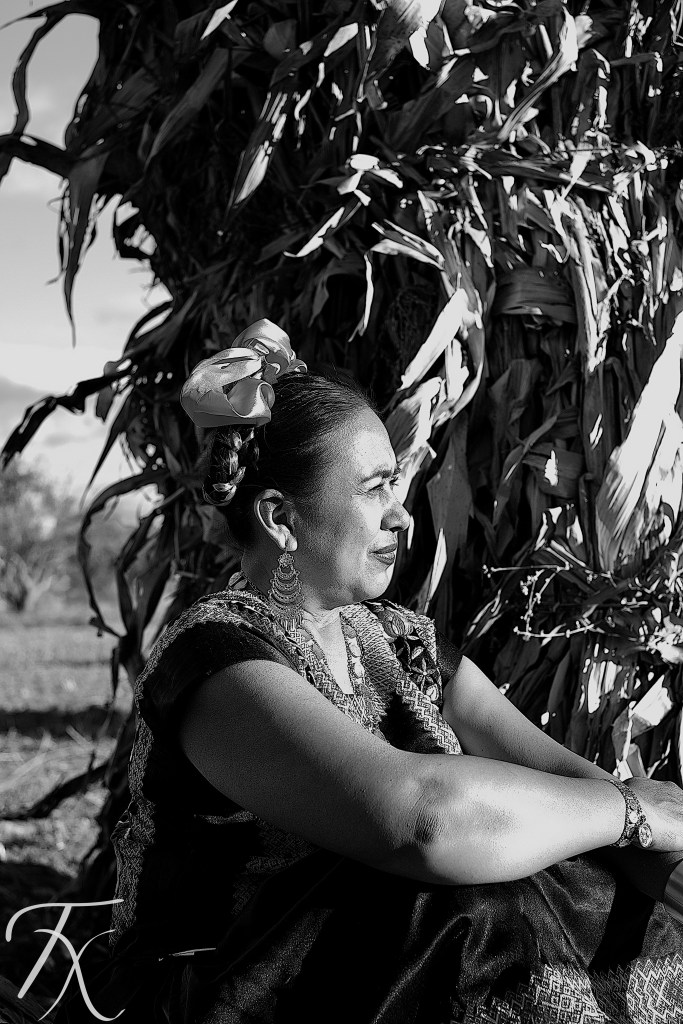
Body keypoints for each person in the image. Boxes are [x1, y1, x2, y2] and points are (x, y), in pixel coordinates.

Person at [59, 320, 683, 1024]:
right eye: (375, 488)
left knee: (593, 884)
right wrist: (631, 813)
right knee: (466, 905)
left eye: (398, 484)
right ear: (280, 518)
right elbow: (419, 822)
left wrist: (657, 846)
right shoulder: (218, 663)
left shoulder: (402, 645)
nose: (402, 517)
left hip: (363, 985)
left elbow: (566, 779)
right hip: (224, 993)